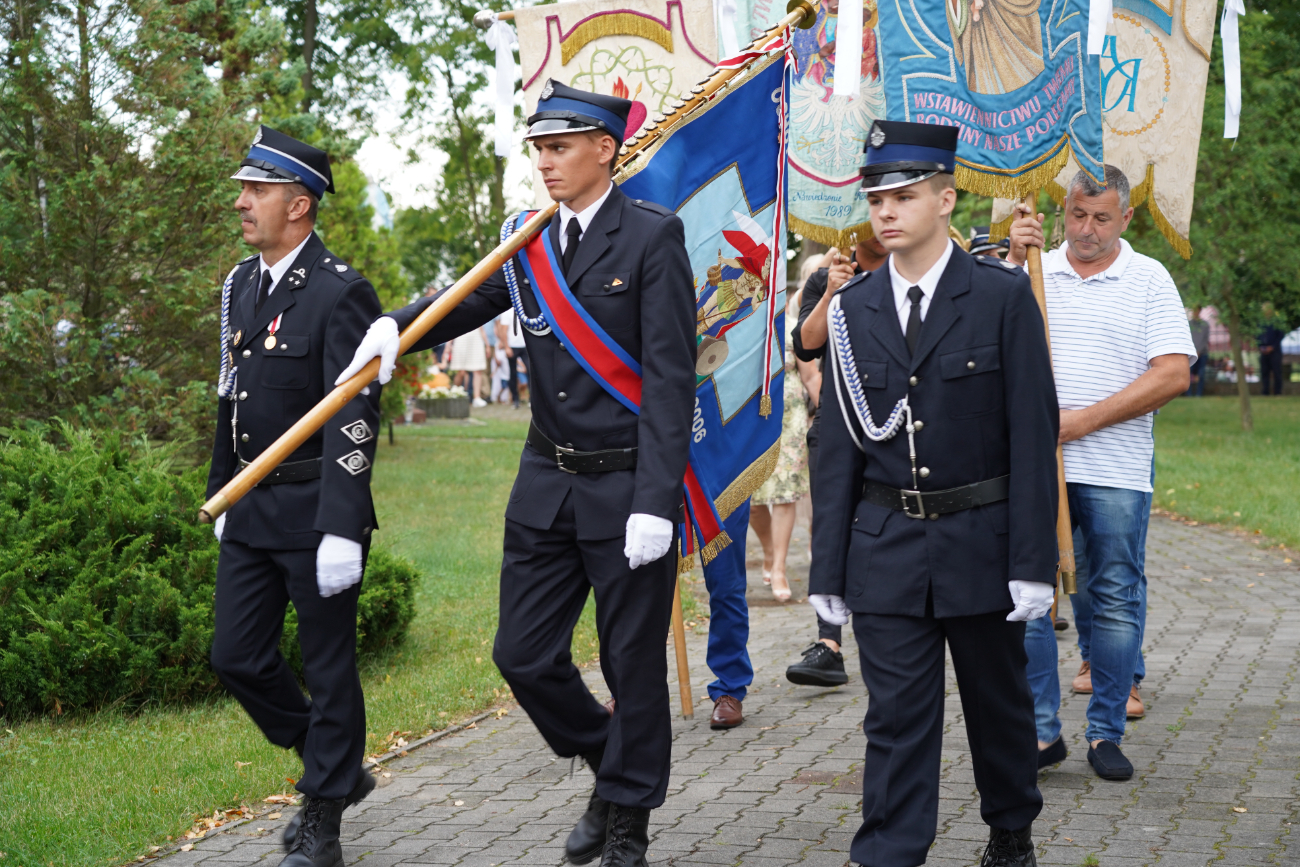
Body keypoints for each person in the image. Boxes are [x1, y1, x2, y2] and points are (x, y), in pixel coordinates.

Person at [335, 81, 696, 867]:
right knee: (522, 653)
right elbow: (466, 300)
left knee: (632, 666)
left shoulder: (651, 237)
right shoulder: (529, 239)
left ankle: (628, 828)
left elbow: (672, 379)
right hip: (546, 487)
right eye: (539, 149)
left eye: (559, 147)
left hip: (626, 487)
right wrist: (395, 327)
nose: (545, 162)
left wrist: (656, 499)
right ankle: (608, 758)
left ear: (605, 149)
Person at [809, 120, 1059, 867]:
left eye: (905, 196)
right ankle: (888, 852)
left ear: (946, 199)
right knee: (894, 720)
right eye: (876, 199)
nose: (886, 212)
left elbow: (1032, 434)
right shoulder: (851, 310)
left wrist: (1034, 561)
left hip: (982, 542)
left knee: (998, 707)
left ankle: (1010, 832)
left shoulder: (1001, 296)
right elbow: (838, 448)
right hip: (886, 547)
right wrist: (827, 570)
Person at [207, 127, 382, 867]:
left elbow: (355, 413)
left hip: (316, 512)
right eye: (244, 189)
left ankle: (322, 824)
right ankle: (329, 758)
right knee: (235, 655)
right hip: (251, 507)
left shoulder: (341, 291)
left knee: (329, 665)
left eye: (258, 190)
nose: (242, 202)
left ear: (299, 203)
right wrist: (222, 492)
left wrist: (343, 523)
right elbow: (230, 396)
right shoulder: (239, 285)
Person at [1007, 164, 1194, 782]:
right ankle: (1040, 732)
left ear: (1127, 217)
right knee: (1030, 597)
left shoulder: (1149, 278)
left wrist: (1080, 422)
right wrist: (1013, 262)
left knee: (1114, 597)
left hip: (1116, 470)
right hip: (1034, 469)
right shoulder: (1030, 272)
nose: (1086, 230)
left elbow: (1173, 373)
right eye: (1077, 215)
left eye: (1102, 218)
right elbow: (980, 341)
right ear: (1062, 210)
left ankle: (1105, 731)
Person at [783, 234, 888, 687]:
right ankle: (829, 643)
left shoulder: (914, 272)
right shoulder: (826, 278)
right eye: (872, 203)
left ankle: (887, 633)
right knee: (831, 525)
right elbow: (806, 345)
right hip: (837, 421)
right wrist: (830, 293)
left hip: (896, 421)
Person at [750, 289, 813, 602]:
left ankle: (779, 568)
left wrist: (825, 414)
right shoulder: (740, 329)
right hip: (749, 422)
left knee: (785, 494)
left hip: (790, 420)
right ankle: (769, 550)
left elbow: (810, 376)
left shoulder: (792, 327)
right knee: (751, 498)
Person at [498, 307, 531, 407]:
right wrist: (506, 347)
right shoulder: (506, 311)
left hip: (524, 345)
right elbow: (504, 330)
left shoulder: (524, 307)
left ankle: (531, 398)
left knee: (530, 371)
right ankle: (515, 399)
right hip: (512, 346)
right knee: (513, 373)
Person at [1257, 305, 1286, 395]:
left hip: (1275, 351)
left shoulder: (1276, 321)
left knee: (1277, 372)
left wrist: (1272, 347)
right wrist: (1260, 346)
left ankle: (1278, 392)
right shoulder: (1261, 322)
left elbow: (1280, 335)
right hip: (1263, 350)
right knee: (1264, 372)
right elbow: (1257, 335)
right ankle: (1265, 391)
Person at [1186, 306, 1209, 396]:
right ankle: (1189, 394)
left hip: (1202, 353)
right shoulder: (1188, 324)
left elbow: (1205, 340)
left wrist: (1199, 351)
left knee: (1201, 374)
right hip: (1191, 353)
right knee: (1188, 374)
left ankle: (1199, 394)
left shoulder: (1205, 325)